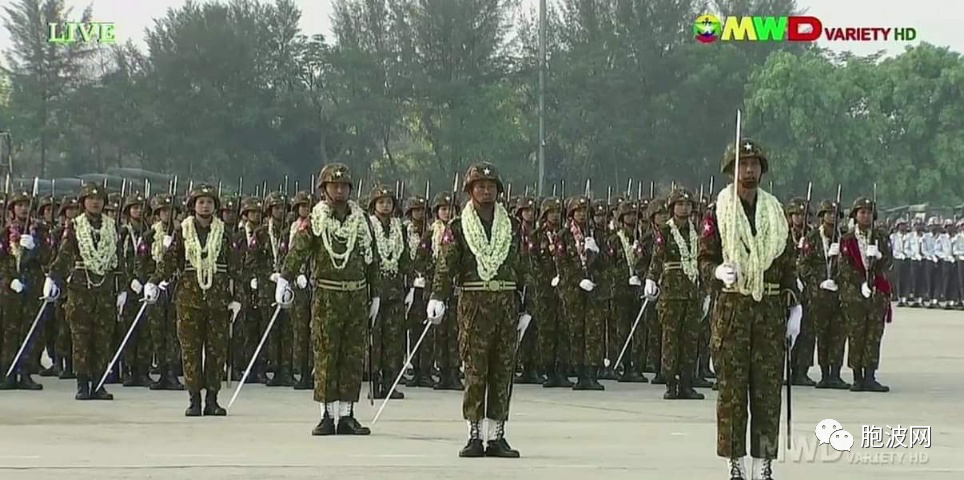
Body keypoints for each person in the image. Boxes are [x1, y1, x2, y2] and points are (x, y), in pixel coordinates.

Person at [698, 139, 801, 480]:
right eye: (743, 164)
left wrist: (794, 305)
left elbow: (788, 263)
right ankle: (734, 460)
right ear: (731, 170)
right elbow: (703, 259)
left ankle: (764, 462)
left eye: (755, 164)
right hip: (733, 309)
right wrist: (716, 272)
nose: (749, 170)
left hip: (769, 311)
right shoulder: (718, 212)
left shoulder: (776, 213)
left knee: (767, 390)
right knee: (732, 391)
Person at [428, 163, 528, 458]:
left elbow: (525, 266)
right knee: (474, 370)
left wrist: (528, 302)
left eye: (491, 186)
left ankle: (497, 434)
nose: (486, 190)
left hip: (506, 306)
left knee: (502, 371)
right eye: (480, 185)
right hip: (473, 306)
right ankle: (474, 433)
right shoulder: (457, 228)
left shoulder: (512, 226)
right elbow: (446, 267)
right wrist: (438, 296)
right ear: (470, 190)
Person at [277, 163, 379, 436]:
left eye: (344, 185)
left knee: (352, 355)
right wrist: (286, 277)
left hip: (356, 295)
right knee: (325, 355)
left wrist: (376, 293)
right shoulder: (316, 219)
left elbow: (372, 259)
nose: (340, 190)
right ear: (324, 189)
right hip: (327, 295)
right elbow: (298, 250)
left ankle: (346, 414)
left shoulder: (362, 220)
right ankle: (326, 414)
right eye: (334, 186)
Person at [145, 184, 239, 415]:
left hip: (217, 301)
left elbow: (237, 269)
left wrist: (238, 298)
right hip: (189, 300)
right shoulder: (183, 232)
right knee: (190, 351)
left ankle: (213, 399)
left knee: (216, 352)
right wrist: (154, 281)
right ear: (193, 206)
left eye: (209, 202)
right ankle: (194, 398)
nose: (205, 205)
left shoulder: (225, 234)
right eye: (200, 202)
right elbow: (169, 261)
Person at [48, 183, 123, 400]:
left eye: (99, 199)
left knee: (102, 339)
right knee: (80, 338)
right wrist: (53, 277)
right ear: (83, 203)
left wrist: (123, 288)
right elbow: (64, 255)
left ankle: (98, 383)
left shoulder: (111, 227)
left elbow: (118, 261)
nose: (95, 202)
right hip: (81, 288)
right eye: (90, 198)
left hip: (105, 288)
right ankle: (82, 384)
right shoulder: (74, 227)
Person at [646, 188, 703, 400]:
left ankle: (687, 383)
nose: (684, 208)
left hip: (692, 292)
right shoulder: (665, 231)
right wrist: (651, 278)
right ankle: (670, 383)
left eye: (687, 205)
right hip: (671, 292)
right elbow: (657, 257)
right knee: (670, 339)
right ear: (672, 207)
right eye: (679, 204)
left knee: (690, 340)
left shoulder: (696, 231)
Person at [838, 197, 892, 392]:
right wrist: (860, 282)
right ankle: (857, 377)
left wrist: (879, 257)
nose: (866, 215)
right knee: (856, 334)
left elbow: (890, 262)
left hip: (877, 293)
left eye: (869, 212)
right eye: (862, 212)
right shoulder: (847, 239)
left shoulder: (881, 237)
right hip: (855, 295)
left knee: (873, 335)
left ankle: (870, 375)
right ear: (855, 215)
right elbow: (843, 267)